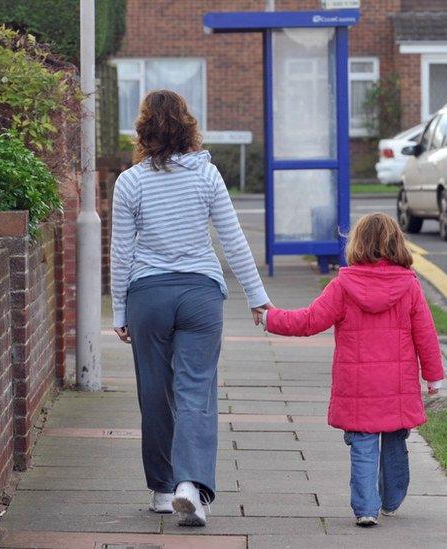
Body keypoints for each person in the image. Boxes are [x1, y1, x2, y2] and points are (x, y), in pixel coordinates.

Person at [110, 90, 271, 527]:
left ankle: (163, 490)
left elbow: (121, 253)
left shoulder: (130, 182)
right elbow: (232, 240)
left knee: (154, 392)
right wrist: (257, 297)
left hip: (148, 297)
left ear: (144, 130)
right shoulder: (207, 175)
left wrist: (118, 311)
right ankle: (191, 486)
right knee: (196, 391)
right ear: (187, 126)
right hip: (201, 295)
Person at [261, 213, 444, 527]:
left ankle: (366, 509)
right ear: (397, 244)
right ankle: (392, 498)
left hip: (357, 385)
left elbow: (309, 321)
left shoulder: (344, 286)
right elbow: (425, 334)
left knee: (362, 442)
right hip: (397, 386)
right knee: (395, 439)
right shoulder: (409, 285)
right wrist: (434, 376)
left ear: (356, 244)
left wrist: (269, 318)